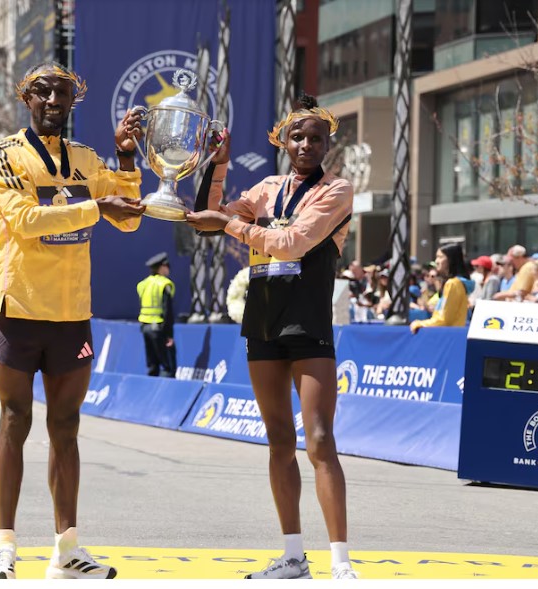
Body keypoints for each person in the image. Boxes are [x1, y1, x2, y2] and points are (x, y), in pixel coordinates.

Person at [0, 60, 145, 580]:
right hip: (20, 308)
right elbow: (26, 222)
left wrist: (123, 157)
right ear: (26, 97)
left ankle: (67, 548)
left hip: (72, 313)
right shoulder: (4, 155)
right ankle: (4, 546)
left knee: (66, 429)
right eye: (44, 92)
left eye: (64, 94)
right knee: (14, 421)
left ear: (74, 102)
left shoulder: (88, 159)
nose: (54, 101)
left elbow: (130, 218)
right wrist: (96, 205)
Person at [186, 95, 359, 580]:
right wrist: (217, 166)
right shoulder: (265, 189)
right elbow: (206, 219)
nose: (306, 145)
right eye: (297, 136)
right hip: (263, 320)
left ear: (328, 143)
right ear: (283, 141)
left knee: (320, 440)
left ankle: (341, 562)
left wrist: (231, 225)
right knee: (279, 440)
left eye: (315, 138)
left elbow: (290, 242)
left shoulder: (337, 189)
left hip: (307, 321)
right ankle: (292, 557)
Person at [409, 243, 474, 334]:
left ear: (451, 260)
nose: (436, 261)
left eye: (440, 257)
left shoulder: (453, 284)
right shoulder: (456, 283)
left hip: (448, 337)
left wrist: (420, 323)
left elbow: (444, 319)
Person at [137, 252, 177, 377]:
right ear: (162, 267)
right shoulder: (164, 284)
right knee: (167, 366)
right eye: (167, 266)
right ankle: (168, 394)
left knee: (152, 365)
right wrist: (169, 335)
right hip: (159, 329)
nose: (168, 269)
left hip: (145, 327)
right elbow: (167, 312)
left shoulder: (143, 284)